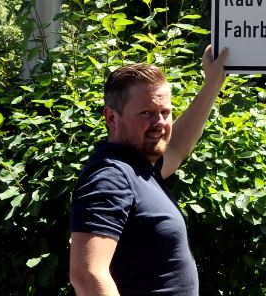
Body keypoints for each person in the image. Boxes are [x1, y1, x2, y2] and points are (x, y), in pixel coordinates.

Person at [69, 45, 228, 296]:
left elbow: (177, 147)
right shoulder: (111, 177)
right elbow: (87, 274)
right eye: (146, 113)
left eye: (165, 112)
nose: (160, 123)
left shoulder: (142, 169)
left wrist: (213, 83)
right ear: (111, 118)